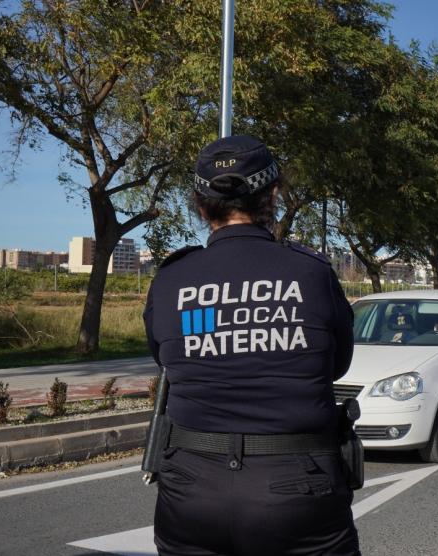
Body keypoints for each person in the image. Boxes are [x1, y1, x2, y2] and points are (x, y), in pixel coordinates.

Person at [143, 135, 359, 556]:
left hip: (190, 489)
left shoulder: (170, 279)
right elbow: (338, 364)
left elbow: (166, 360)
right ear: (273, 194)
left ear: (201, 206)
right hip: (298, 486)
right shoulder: (311, 273)